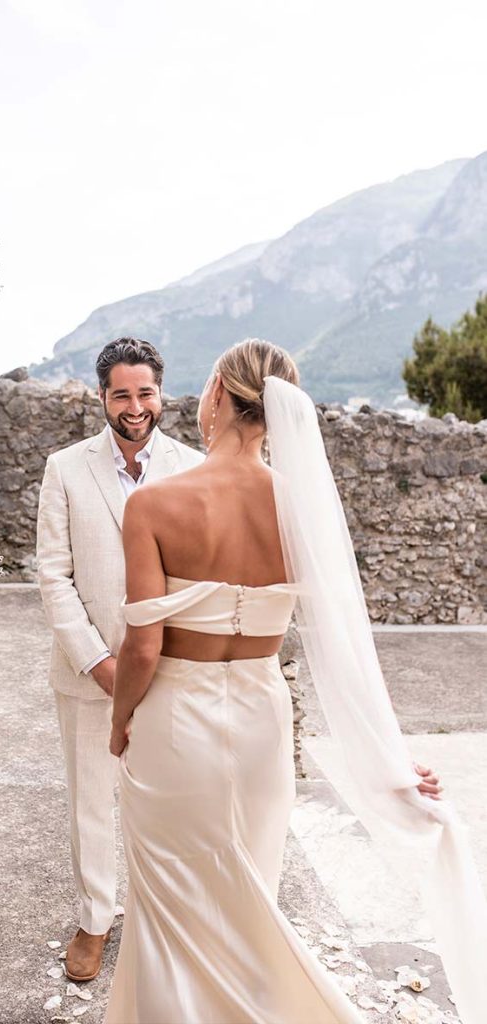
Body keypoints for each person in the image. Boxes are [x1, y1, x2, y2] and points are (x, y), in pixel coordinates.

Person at [100, 338, 486, 1024]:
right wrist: (386, 757)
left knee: (169, 908)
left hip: (174, 724)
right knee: (250, 895)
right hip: (260, 720)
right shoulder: (299, 509)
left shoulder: (154, 505)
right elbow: (344, 647)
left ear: (216, 393)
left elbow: (142, 646)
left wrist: (121, 719)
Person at [36, 337, 204, 983]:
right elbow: (53, 576)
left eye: (144, 393)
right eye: (121, 394)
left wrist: (159, 663)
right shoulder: (64, 468)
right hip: (87, 672)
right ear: (102, 396)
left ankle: (165, 916)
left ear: (161, 394)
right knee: (89, 803)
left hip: (169, 671)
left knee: (168, 799)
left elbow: (196, 574)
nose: (134, 407)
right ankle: (93, 920)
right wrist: (99, 662)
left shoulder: (192, 467)